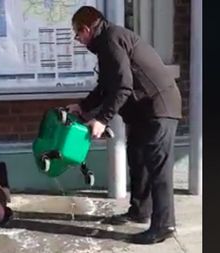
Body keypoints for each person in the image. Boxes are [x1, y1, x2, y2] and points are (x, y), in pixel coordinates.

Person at [66, 6, 182, 244]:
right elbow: (105, 86)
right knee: (137, 158)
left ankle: (164, 225)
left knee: (158, 168)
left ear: (87, 29)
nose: (78, 40)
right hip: (142, 112)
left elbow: (122, 86)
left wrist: (101, 119)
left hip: (159, 107)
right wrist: (83, 106)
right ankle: (140, 210)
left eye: (77, 34)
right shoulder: (106, 42)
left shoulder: (111, 40)